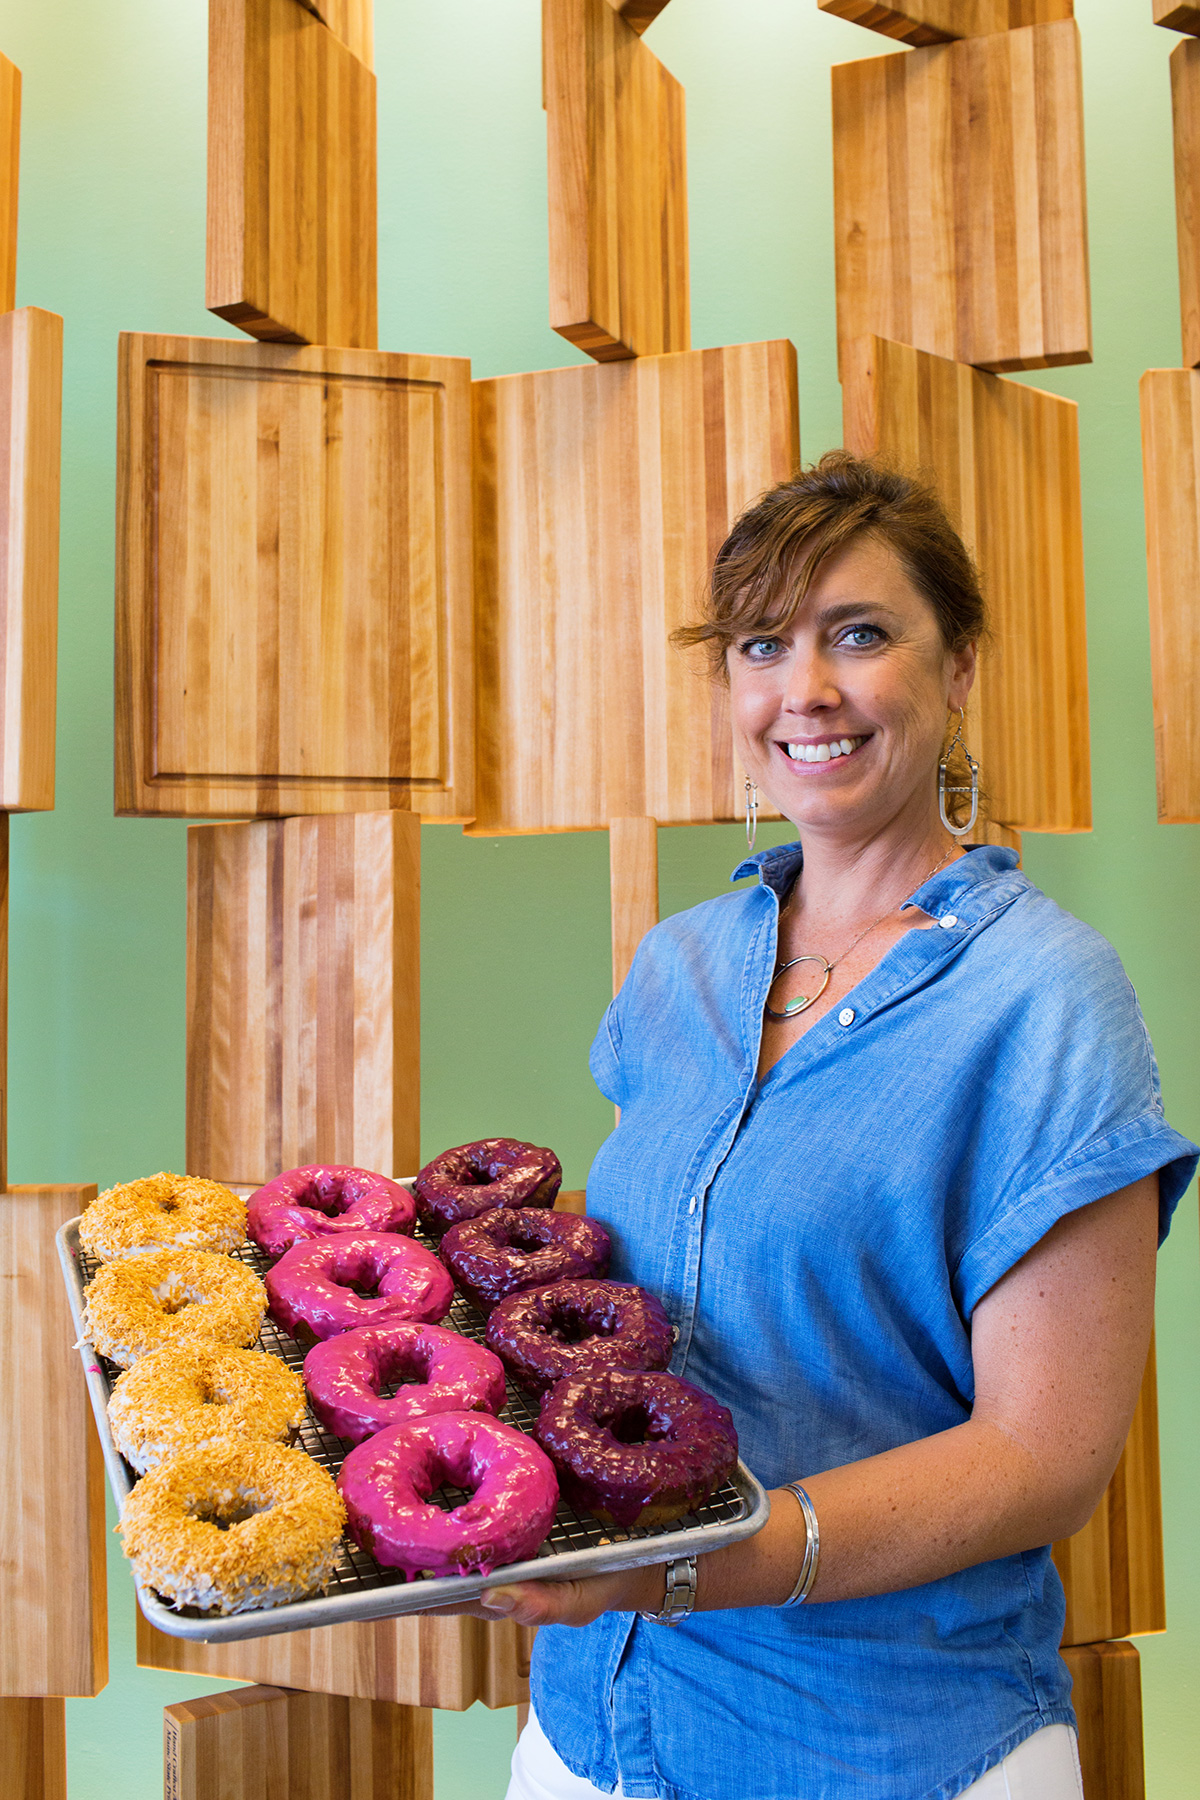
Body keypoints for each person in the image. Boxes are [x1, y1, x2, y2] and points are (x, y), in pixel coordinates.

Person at [473, 454, 1199, 1799]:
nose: (804, 691)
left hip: (888, 1740)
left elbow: (1043, 1458)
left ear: (959, 662)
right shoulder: (681, 965)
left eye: (858, 634)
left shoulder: (1046, 996)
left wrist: (696, 1564)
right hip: (595, 1724)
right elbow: (649, 1310)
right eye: (763, 645)